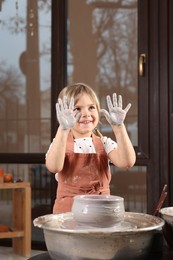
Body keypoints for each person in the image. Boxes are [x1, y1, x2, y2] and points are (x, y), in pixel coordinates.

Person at [45, 82, 136, 213]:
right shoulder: (60, 143)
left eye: (91, 107)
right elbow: (54, 167)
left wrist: (119, 128)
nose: (86, 114)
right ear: (62, 114)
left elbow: (127, 162)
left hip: (101, 212)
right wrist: (63, 130)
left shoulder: (104, 143)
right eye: (77, 109)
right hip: (68, 214)